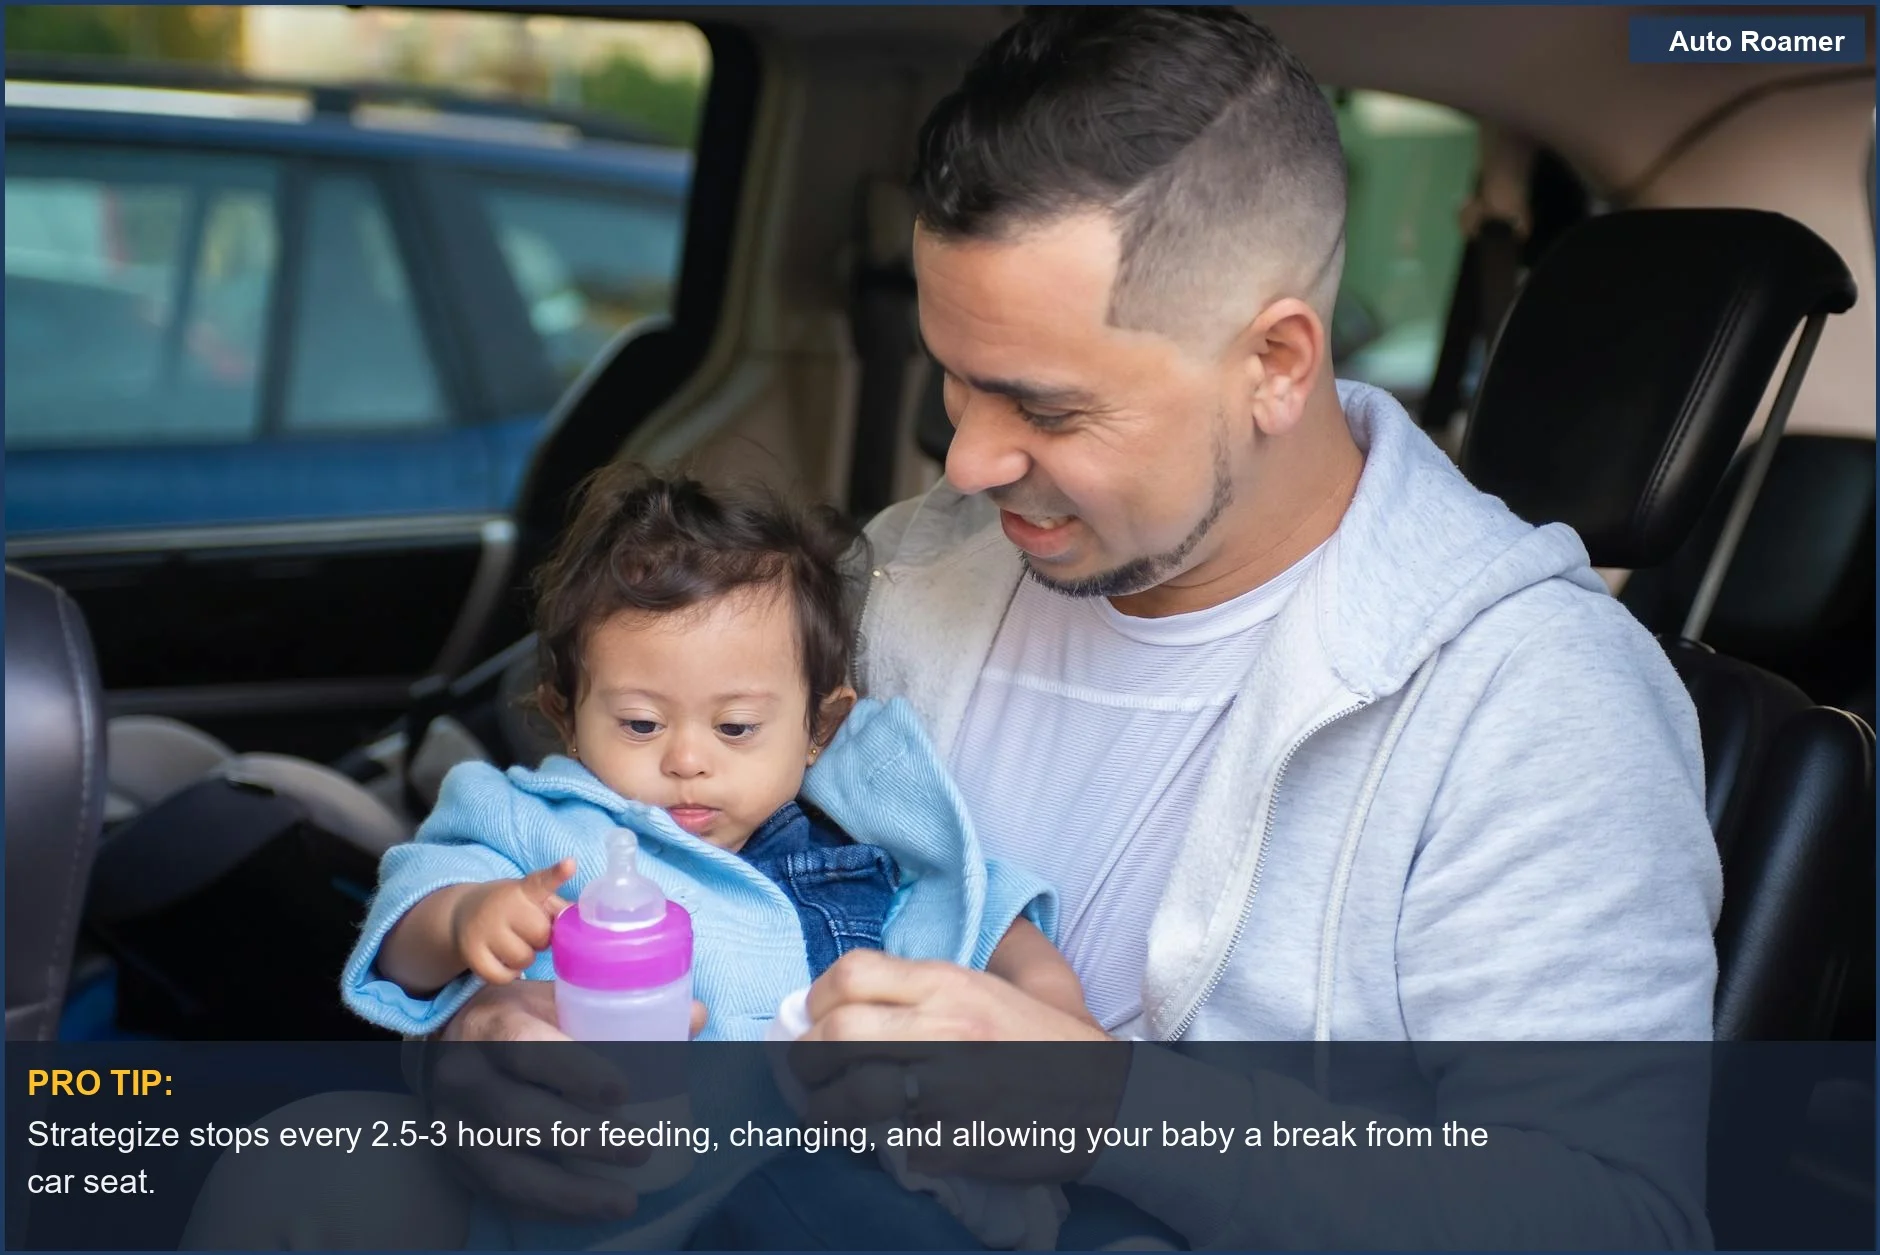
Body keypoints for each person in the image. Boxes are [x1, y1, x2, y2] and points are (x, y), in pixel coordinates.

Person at [439, 7, 1722, 1248]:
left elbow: (1612, 1217)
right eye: (955, 380)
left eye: (1045, 409)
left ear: (1275, 364)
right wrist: (491, 1048)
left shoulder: (1530, 699)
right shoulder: (905, 575)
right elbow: (664, 883)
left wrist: (1111, 1107)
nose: (967, 461)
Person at [341, 464, 1091, 1040]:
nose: (687, 761)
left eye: (735, 728)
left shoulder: (857, 849)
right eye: (641, 724)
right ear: (566, 716)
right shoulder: (532, 827)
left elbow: (982, 914)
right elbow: (402, 938)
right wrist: (464, 918)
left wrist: (1054, 1010)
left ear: (820, 727)